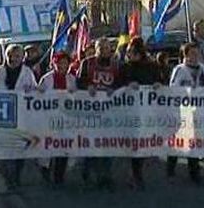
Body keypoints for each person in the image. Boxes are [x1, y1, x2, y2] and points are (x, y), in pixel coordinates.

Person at [0, 44, 37, 190]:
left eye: (16, 56)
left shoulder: (27, 72)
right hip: (3, 116)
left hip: (22, 116)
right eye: (10, 55)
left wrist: (31, 90)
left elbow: (35, 92)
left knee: (19, 149)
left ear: (22, 58)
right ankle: (8, 179)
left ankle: (16, 178)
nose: (12, 59)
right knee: (5, 150)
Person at [76, 37, 122, 190]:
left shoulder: (116, 65)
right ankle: (87, 173)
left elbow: (122, 83)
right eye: (100, 48)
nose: (104, 51)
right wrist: (87, 86)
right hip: (90, 110)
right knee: (91, 143)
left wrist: (114, 89)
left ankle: (106, 176)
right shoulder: (87, 63)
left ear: (111, 49)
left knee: (108, 143)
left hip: (109, 111)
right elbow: (78, 82)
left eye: (106, 48)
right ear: (96, 49)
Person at [167, 42, 204, 185]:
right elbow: (172, 88)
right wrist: (187, 91)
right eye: (192, 53)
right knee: (178, 141)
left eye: (196, 53)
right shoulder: (179, 70)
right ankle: (170, 169)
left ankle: (194, 172)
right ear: (185, 55)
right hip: (182, 111)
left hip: (198, 110)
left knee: (194, 141)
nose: (195, 56)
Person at [120, 37, 162, 190]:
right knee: (133, 142)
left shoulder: (151, 66)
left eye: (133, 52)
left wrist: (157, 84)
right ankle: (136, 174)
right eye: (129, 52)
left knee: (142, 142)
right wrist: (127, 84)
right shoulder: (124, 67)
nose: (130, 55)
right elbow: (118, 85)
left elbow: (158, 80)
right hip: (129, 111)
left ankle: (136, 172)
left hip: (146, 110)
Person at [37, 51, 77, 186]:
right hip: (49, 117)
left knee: (64, 146)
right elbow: (38, 96)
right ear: (54, 64)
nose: (62, 66)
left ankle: (59, 176)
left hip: (65, 118)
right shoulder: (47, 79)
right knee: (48, 146)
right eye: (59, 63)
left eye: (65, 63)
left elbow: (77, 98)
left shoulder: (71, 79)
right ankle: (45, 169)